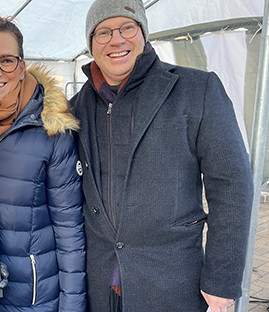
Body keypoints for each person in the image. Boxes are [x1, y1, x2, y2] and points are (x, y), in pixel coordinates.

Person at [69, 0, 254, 311]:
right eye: (103, 32)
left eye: (127, 27)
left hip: (172, 284)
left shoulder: (197, 89)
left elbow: (232, 186)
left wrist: (221, 280)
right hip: (98, 286)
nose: (116, 40)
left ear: (143, 33)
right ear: (91, 44)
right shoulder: (75, 108)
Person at [0, 10, 86, 312]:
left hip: (34, 300)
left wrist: (72, 306)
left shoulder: (50, 130)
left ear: (21, 68)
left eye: (7, 60)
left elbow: (69, 229)